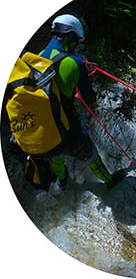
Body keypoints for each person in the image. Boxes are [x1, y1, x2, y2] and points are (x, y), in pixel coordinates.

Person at [24, 14, 122, 189]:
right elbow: (90, 98)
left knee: (56, 155)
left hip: (43, 130)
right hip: (68, 128)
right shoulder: (75, 62)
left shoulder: (35, 58)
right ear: (69, 36)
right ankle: (109, 180)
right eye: (76, 40)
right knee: (90, 153)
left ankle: (62, 181)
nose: (77, 45)